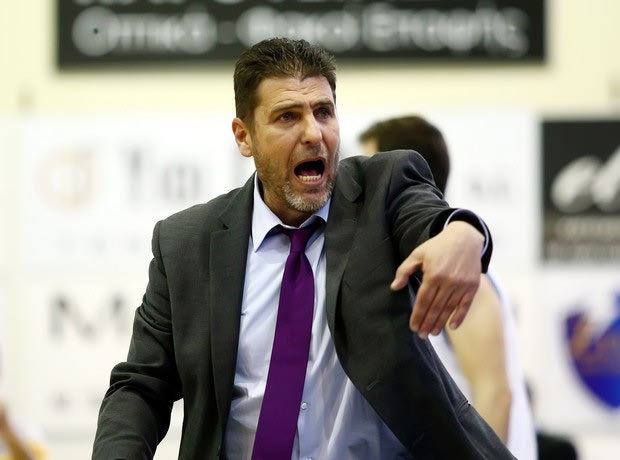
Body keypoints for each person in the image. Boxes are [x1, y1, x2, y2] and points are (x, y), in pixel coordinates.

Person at [93, 38, 514, 459]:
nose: (313, 134)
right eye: (288, 116)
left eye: (323, 112)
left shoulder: (383, 190)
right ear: (244, 136)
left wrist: (462, 233)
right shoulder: (185, 243)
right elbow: (141, 386)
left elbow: (427, 216)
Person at [359, 114, 537, 459]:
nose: (359, 185)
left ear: (403, 176)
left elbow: (495, 394)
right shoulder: (417, 263)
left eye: (371, 171)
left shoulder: (459, 270)